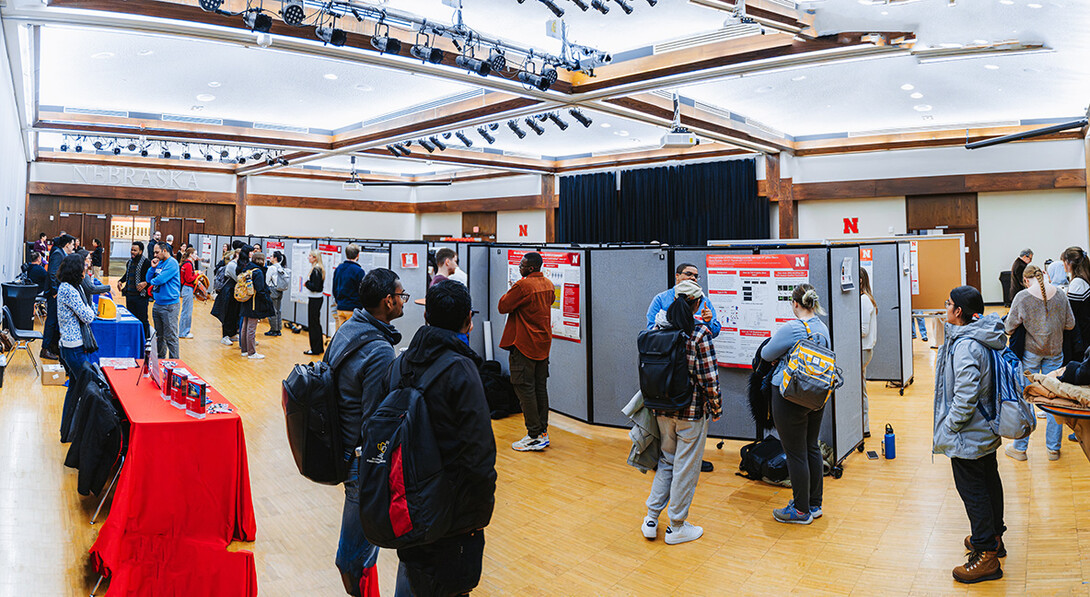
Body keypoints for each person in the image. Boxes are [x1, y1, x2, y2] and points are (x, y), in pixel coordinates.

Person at [389, 280, 496, 596]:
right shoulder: (462, 370)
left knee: (414, 576)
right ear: (468, 321)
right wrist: (478, 516)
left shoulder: (400, 364)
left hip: (407, 501)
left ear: (426, 318)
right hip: (452, 513)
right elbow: (479, 454)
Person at [326, 268, 405, 595]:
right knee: (354, 555)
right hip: (360, 459)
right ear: (387, 301)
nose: (404, 302)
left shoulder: (349, 329)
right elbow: (376, 419)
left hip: (339, 444)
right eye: (401, 296)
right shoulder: (380, 350)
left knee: (360, 552)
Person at [934, 285, 1007, 584]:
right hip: (985, 428)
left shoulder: (966, 345)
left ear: (959, 312)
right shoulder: (983, 335)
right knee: (989, 481)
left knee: (973, 491)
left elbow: (965, 396)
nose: (945, 306)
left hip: (968, 433)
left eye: (948, 303)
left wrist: (950, 426)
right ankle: (993, 537)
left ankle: (985, 554)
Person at [641, 280, 721, 546]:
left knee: (667, 461)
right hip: (691, 412)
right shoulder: (699, 334)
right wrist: (717, 408)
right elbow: (709, 377)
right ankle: (676, 526)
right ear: (697, 303)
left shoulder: (657, 330)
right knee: (686, 468)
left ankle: (651, 518)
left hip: (661, 410)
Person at [760, 284, 831, 525]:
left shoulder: (793, 327)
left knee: (794, 453)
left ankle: (800, 511)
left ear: (796, 304)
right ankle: (814, 504)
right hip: (816, 395)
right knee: (811, 447)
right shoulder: (822, 328)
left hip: (789, 396)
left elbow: (767, 354)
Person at [1004, 265, 1074, 461]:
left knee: (1026, 397)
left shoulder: (1022, 297)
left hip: (1031, 354)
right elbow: (1071, 324)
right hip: (1055, 352)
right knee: (1054, 399)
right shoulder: (1061, 295)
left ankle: (1020, 448)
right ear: (1044, 275)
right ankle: (1053, 448)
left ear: (1026, 280)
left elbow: (1009, 328)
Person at [498, 252, 555, 451]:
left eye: (522, 264)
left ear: (530, 268)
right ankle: (543, 432)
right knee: (540, 388)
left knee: (525, 388)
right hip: (543, 345)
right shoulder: (548, 284)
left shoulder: (522, 286)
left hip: (524, 345)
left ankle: (533, 435)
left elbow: (503, 306)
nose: (519, 267)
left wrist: (513, 287)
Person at [56, 253, 98, 438]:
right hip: (74, 347)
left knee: (74, 388)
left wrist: (89, 308)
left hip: (71, 345)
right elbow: (88, 316)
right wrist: (91, 308)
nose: (86, 268)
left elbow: (88, 311)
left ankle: (68, 432)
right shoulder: (70, 290)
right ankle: (75, 432)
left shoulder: (69, 288)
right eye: (83, 266)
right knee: (86, 387)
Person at [646, 263, 721, 338]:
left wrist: (708, 321)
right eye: (688, 274)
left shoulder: (703, 300)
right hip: (668, 347)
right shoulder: (661, 299)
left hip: (695, 346)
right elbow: (652, 331)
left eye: (696, 276)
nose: (693, 278)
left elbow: (714, 333)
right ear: (677, 276)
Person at [42, 234, 77, 360]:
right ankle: (45, 348)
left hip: (56, 292)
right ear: (67, 244)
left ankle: (51, 346)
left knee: (54, 321)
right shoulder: (58, 253)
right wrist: (55, 291)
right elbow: (52, 273)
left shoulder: (61, 253)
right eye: (72, 244)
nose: (73, 247)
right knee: (51, 321)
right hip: (54, 293)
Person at [146, 241, 181, 358]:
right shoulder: (159, 263)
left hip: (169, 305)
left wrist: (151, 282)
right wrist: (152, 268)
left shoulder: (172, 263)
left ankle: (175, 364)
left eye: (157, 252)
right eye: (154, 252)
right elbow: (148, 277)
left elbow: (160, 280)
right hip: (158, 304)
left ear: (164, 251)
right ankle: (160, 361)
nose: (155, 255)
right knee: (159, 336)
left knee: (170, 336)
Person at [238, 251, 273, 359]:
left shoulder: (248, 269)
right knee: (251, 328)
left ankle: (244, 350)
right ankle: (252, 352)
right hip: (254, 302)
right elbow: (260, 289)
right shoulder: (258, 272)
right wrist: (266, 300)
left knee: (245, 326)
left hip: (246, 300)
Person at [1061, 246, 1090, 363]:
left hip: (1081, 333)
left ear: (1069, 263)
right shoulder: (1083, 279)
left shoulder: (1077, 283)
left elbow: (1070, 313)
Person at [117, 241, 151, 337]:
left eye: (135, 250)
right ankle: (133, 338)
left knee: (143, 319)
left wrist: (146, 283)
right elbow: (127, 274)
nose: (132, 252)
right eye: (131, 250)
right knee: (131, 318)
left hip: (141, 296)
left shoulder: (146, 263)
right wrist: (120, 281)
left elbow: (152, 278)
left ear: (140, 251)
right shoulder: (130, 262)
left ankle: (146, 340)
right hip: (130, 295)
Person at [860, 268, 878, 438]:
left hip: (863, 350)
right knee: (861, 388)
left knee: (860, 390)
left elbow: (863, 330)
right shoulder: (865, 299)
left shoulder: (864, 300)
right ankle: (863, 426)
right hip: (863, 350)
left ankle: (864, 426)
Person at [332, 244, 365, 331]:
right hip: (353, 309)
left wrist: (338, 301)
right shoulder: (359, 271)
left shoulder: (339, 268)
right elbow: (362, 291)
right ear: (358, 255)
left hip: (340, 307)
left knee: (341, 335)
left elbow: (334, 287)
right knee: (353, 336)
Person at [304, 249, 326, 356]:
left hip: (315, 298)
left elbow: (316, 287)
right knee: (315, 323)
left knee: (313, 324)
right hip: (316, 298)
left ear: (315, 258)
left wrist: (307, 284)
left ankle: (315, 348)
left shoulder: (316, 270)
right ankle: (318, 347)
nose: (308, 258)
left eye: (310, 256)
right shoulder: (318, 269)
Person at [265, 250, 287, 337]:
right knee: (278, 310)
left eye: (271, 256)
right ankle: (278, 329)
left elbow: (267, 281)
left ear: (275, 258)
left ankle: (273, 329)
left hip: (272, 290)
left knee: (272, 311)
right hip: (279, 291)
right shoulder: (281, 267)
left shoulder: (272, 268)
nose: (270, 258)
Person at [178, 247, 199, 339]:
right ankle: (184, 332)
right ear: (191, 254)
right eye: (195, 254)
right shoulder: (189, 265)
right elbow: (188, 279)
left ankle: (184, 331)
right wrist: (198, 275)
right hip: (187, 288)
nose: (196, 256)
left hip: (186, 288)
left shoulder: (187, 264)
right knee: (187, 311)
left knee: (186, 311)